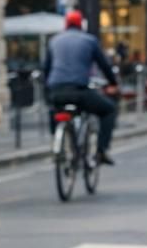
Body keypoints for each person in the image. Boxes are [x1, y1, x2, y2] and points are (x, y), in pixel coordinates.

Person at [44, 10, 119, 163]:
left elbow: (46, 68)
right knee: (109, 109)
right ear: (81, 25)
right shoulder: (89, 40)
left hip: (56, 90)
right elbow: (104, 65)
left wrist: (49, 88)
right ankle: (101, 150)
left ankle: (57, 143)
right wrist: (113, 83)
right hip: (79, 91)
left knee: (54, 110)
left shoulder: (54, 40)